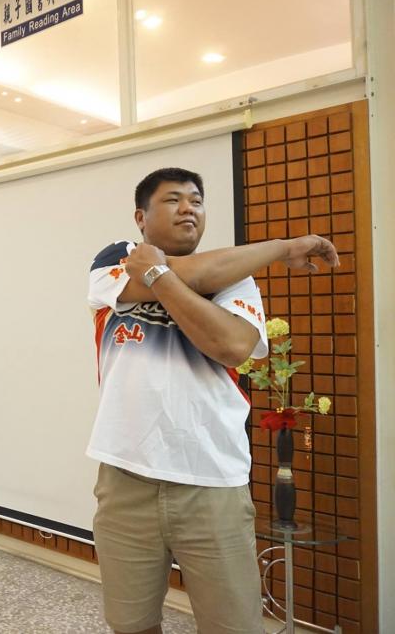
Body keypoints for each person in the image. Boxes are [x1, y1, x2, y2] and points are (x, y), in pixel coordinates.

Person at [86, 167, 340, 634]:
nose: (189, 208)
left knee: (234, 626)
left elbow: (231, 346)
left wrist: (157, 274)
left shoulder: (236, 280)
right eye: (173, 199)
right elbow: (200, 273)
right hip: (125, 478)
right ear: (141, 218)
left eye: (197, 201)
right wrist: (281, 249)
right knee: (131, 624)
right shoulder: (115, 259)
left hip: (213, 481)